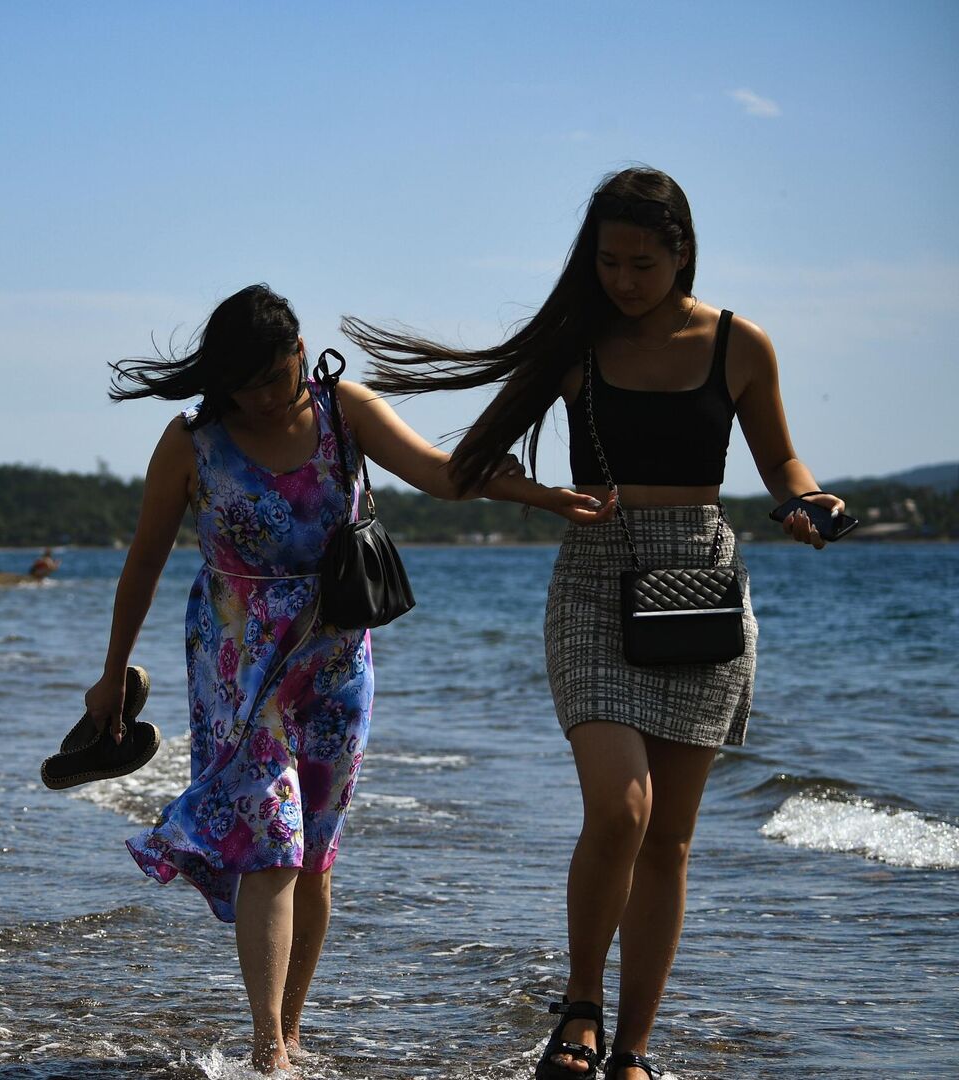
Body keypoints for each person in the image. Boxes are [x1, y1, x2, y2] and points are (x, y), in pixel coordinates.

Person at [341, 168, 845, 1080]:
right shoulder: (576, 348)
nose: (622, 279)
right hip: (596, 580)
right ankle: (580, 1007)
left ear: (682, 252)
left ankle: (634, 1050)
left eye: (641, 263)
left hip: (701, 582)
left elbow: (781, 461)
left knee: (671, 841)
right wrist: (546, 498)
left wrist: (808, 502)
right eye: (608, 261)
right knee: (622, 807)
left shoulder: (741, 345)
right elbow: (470, 467)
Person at [85, 284, 608, 1073]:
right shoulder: (192, 443)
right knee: (273, 843)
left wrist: (538, 494)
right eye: (244, 385)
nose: (262, 398)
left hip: (336, 662)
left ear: (301, 352)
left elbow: (441, 473)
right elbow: (145, 560)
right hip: (239, 665)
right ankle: (270, 1055)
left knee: (316, 852)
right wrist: (110, 669)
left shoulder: (343, 411)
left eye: (275, 377)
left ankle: (290, 1028)